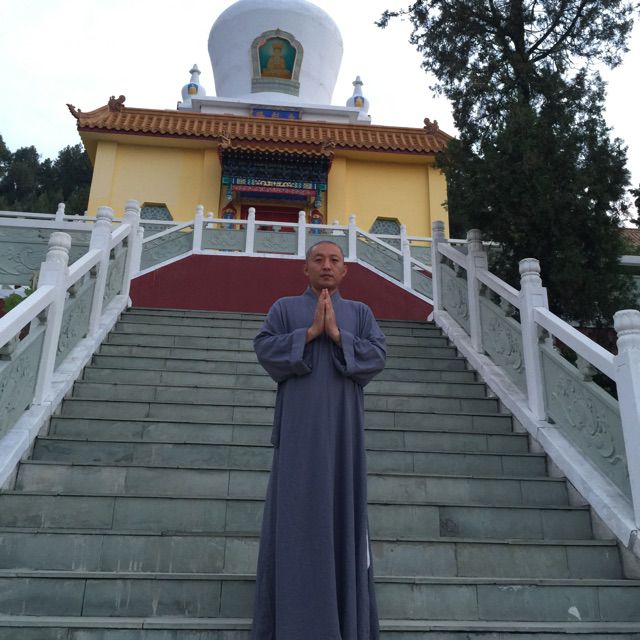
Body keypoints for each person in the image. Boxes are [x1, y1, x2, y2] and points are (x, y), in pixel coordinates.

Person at [251, 240, 386, 640]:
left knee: (343, 512)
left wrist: (339, 336)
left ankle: (346, 622)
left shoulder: (360, 313)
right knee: (294, 514)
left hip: (343, 434)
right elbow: (263, 347)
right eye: (318, 259)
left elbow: (378, 355)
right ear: (305, 268)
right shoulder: (283, 309)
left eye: (334, 260)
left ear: (344, 270)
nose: (326, 265)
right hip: (298, 432)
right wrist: (309, 333)